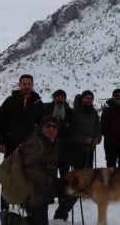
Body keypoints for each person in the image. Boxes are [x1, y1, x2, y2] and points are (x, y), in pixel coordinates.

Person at [0, 74, 45, 212]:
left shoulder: (37, 102)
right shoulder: (10, 101)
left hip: (30, 146)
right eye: (24, 83)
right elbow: (1, 122)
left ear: (32, 85)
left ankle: (27, 204)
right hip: (11, 144)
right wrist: (1, 141)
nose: (26, 86)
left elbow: (42, 124)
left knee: (28, 174)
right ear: (19, 85)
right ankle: (5, 206)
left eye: (29, 83)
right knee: (9, 174)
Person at [19, 115, 62, 225]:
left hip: (44, 187)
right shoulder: (34, 143)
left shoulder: (53, 143)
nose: (51, 129)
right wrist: (48, 180)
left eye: (54, 126)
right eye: (48, 126)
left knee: (73, 187)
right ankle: (13, 221)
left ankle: (61, 215)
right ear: (41, 127)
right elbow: (29, 171)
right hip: (32, 190)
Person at [44, 89, 75, 221]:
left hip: (65, 148)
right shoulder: (47, 109)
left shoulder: (69, 111)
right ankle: (49, 197)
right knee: (49, 173)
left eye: (62, 97)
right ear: (54, 98)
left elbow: (73, 128)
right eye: (58, 97)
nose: (60, 99)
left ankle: (63, 197)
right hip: (49, 148)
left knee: (65, 174)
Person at [70, 90, 101, 169]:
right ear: (82, 99)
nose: (89, 100)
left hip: (90, 149)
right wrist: (84, 139)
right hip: (77, 150)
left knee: (89, 174)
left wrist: (98, 138)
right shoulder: (75, 112)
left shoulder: (94, 112)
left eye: (91, 98)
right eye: (86, 98)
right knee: (78, 175)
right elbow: (71, 131)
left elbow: (98, 128)